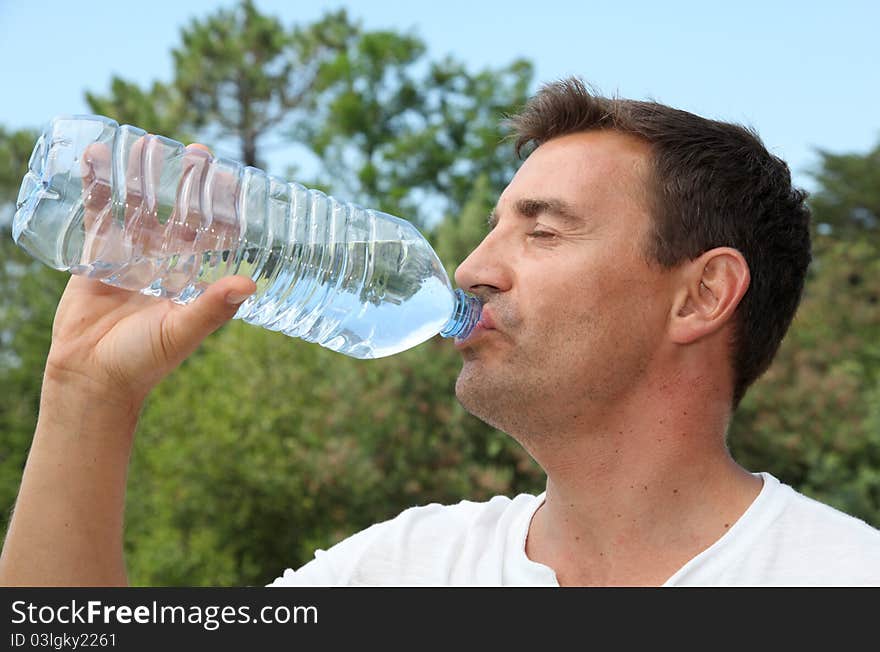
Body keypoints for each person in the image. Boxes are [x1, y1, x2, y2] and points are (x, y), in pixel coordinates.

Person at [1, 77, 878, 587]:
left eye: (542, 229)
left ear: (702, 295)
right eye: (492, 227)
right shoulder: (405, 571)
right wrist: (88, 395)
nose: (469, 268)